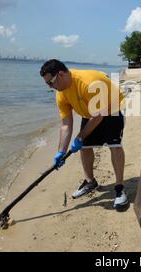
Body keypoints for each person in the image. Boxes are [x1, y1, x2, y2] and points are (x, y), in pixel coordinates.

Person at [40, 59, 129, 210]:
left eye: (51, 83)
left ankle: (120, 188)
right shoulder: (61, 94)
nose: (51, 87)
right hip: (91, 112)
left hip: (112, 107)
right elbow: (66, 124)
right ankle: (90, 182)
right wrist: (61, 151)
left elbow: (100, 116)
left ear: (60, 74)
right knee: (85, 147)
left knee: (114, 145)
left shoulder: (87, 83)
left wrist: (80, 137)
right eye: (48, 84)